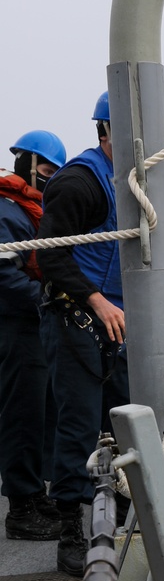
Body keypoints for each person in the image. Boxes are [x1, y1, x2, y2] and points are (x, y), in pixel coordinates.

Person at [37, 91, 130, 577]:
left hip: (115, 323)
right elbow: (49, 255)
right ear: (107, 130)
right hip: (75, 317)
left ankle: (129, 508)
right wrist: (95, 300)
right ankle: (71, 530)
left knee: (129, 414)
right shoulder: (78, 183)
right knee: (77, 425)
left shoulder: (131, 182)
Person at [0, 130, 66, 540]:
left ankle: (36, 493)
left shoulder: (28, 210)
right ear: (25, 163)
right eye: (44, 167)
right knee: (21, 415)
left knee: (44, 411)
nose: (49, 175)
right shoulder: (7, 212)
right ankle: (21, 509)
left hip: (34, 325)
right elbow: (4, 274)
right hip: (15, 325)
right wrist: (46, 298)